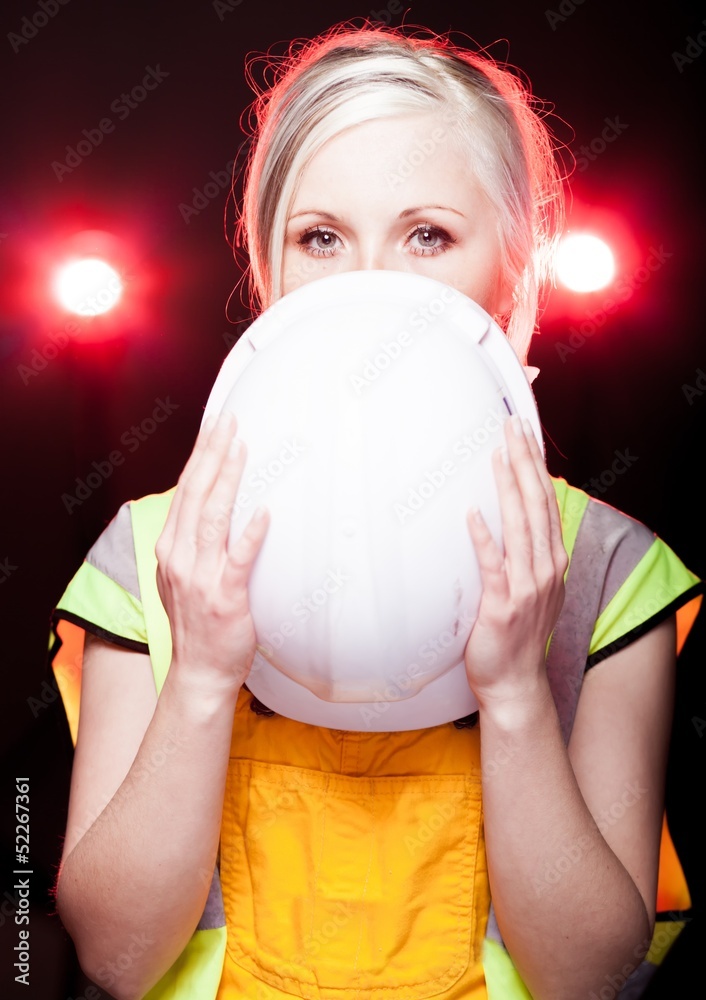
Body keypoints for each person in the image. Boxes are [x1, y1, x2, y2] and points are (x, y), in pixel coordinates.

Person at [49, 19, 703, 1000]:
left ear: (513, 271)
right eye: (321, 238)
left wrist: (519, 696)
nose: (368, 290)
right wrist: (201, 683)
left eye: (428, 234)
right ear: (269, 275)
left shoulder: (610, 569)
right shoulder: (148, 552)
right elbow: (114, 957)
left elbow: (589, 977)